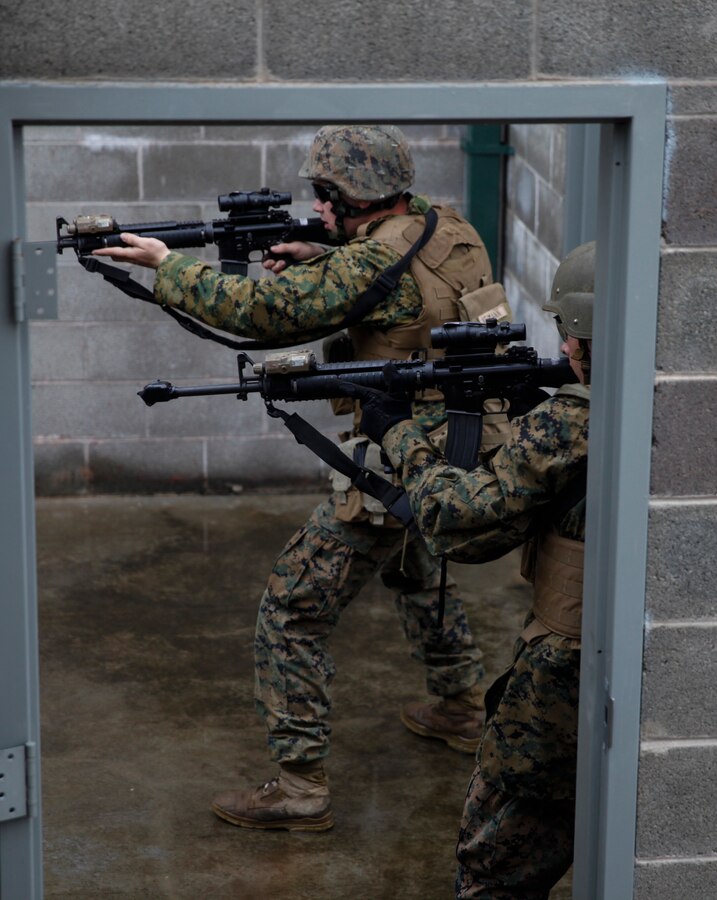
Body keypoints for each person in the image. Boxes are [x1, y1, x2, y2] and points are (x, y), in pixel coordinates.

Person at [93, 124, 512, 831]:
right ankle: (464, 704)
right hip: (467, 441)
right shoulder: (447, 226)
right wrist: (327, 252)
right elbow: (393, 279)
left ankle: (299, 786)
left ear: (356, 197)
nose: (315, 209)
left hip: (401, 454)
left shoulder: (362, 265)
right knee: (414, 570)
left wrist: (166, 266)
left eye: (325, 198)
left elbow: (263, 314)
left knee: (291, 610)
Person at [345, 242, 594, 896]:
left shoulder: (576, 418)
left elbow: (464, 526)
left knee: (496, 867)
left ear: (576, 336)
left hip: (563, 671)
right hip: (624, 657)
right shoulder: (651, 403)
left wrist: (397, 433)